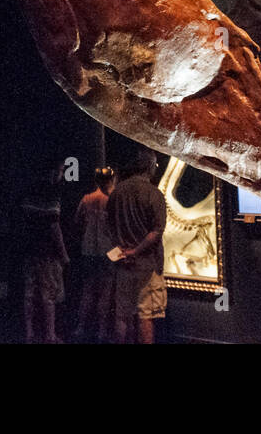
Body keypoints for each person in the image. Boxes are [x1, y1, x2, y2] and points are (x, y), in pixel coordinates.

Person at [107, 147, 167, 344]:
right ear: (149, 166)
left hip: (123, 265)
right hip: (147, 266)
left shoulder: (116, 193)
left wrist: (123, 251)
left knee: (122, 316)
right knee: (145, 316)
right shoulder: (154, 194)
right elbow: (156, 232)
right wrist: (136, 251)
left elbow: (110, 227)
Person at [19, 160, 69, 343]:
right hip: (47, 252)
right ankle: (50, 334)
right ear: (54, 171)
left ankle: (29, 333)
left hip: (29, 249)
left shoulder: (30, 191)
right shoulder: (52, 194)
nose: (62, 175)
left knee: (29, 293)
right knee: (48, 294)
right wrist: (63, 254)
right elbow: (54, 228)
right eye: (62, 170)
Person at [73, 166, 116, 342]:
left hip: (88, 250)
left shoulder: (87, 199)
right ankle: (101, 331)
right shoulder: (113, 201)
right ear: (112, 180)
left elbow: (77, 222)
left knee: (88, 291)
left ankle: (81, 328)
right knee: (105, 293)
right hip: (108, 252)